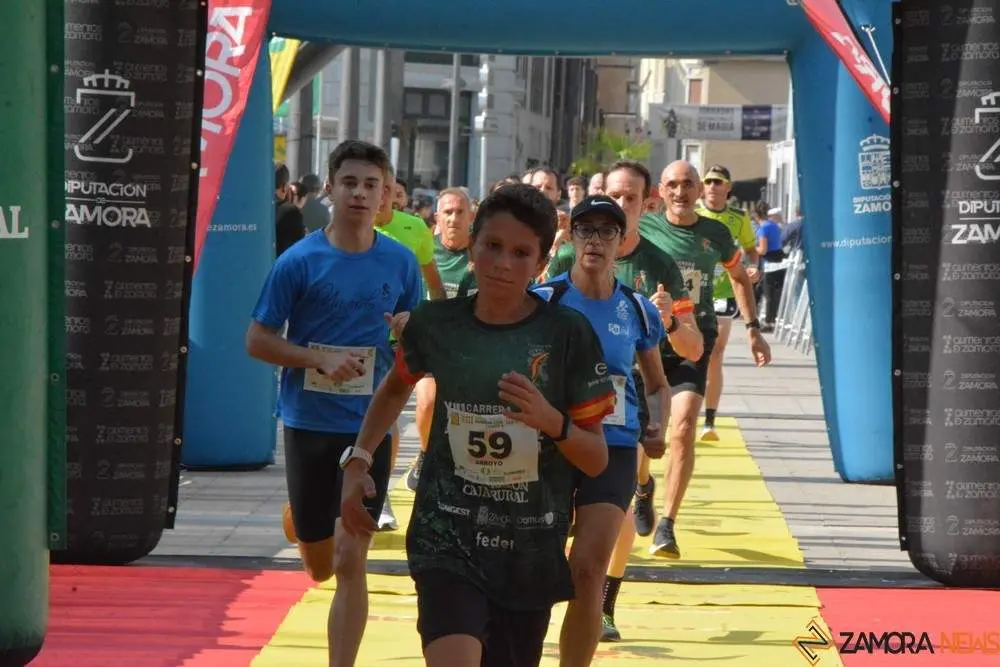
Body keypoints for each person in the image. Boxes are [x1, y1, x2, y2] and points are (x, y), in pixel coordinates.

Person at [340, 183, 616, 667]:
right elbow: (393, 389)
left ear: (541, 261)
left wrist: (552, 422)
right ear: (472, 246)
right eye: (491, 246)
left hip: (528, 547)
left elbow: (597, 457)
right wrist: (360, 459)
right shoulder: (436, 324)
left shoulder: (566, 334)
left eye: (520, 252)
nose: (502, 264)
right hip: (448, 534)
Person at [246, 140, 423, 667]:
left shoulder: (401, 261)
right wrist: (312, 359)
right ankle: (302, 520)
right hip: (307, 422)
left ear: (387, 194)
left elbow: (416, 336)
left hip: (371, 427)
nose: (361, 193)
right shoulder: (299, 260)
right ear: (330, 189)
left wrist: (407, 330)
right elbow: (257, 340)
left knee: (352, 559)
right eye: (350, 183)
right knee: (319, 565)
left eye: (372, 185)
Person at [533, 195, 671, 665]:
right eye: (586, 230)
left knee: (588, 571)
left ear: (622, 241)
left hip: (612, 446)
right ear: (571, 238)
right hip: (548, 447)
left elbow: (656, 384)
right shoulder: (544, 301)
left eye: (606, 232)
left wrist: (656, 426)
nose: (595, 240)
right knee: (534, 569)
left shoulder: (636, 308)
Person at [635, 160, 771, 559]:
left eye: (688, 185)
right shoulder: (643, 230)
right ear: (660, 191)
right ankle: (643, 487)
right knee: (644, 433)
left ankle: (668, 525)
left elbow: (739, 276)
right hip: (647, 343)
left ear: (699, 192)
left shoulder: (716, 233)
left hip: (694, 339)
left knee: (681, 430)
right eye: (672, 185)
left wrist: (752, 328)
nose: (680, 192)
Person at [405, 187, 477, 492]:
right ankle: (424, 455)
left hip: (474, 350)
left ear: (471, 216)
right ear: (437, 217)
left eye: (460, 212)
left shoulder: (482, 252)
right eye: (447, 212)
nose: (454, 218)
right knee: (429, 401)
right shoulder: (425, 251)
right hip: (433, 346)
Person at [695, 165, 760, 441]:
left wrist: (754, 268)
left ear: (728, 187)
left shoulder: (738, 217)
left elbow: (751, 251)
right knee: (690, 352)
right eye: (708, 181)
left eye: (717, 182)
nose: (712, 186)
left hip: (723, 292)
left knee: (716, 353)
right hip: (693, 291)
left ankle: (709, 421)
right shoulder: (693, 212)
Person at [755, 202, 787, 333]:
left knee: (768, 293)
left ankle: (768, 322)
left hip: (769, 263)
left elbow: (762, 250)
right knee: (776, 293)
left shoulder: (763, 228)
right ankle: (774, 320)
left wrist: (751, 249)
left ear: (757, 216)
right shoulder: (774, 226)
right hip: (780, 261)